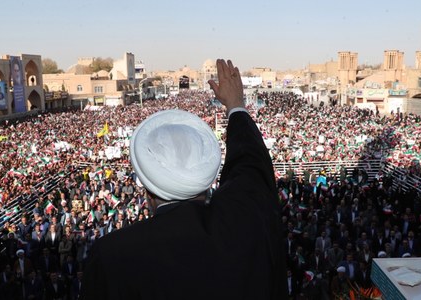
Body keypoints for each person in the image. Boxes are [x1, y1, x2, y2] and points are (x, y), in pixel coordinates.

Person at [81, 59, 287, 299]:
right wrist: (236, 105)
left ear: (148, 193)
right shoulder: (246, 226)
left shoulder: (112, 257)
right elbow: (252, 167)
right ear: (206, 176)